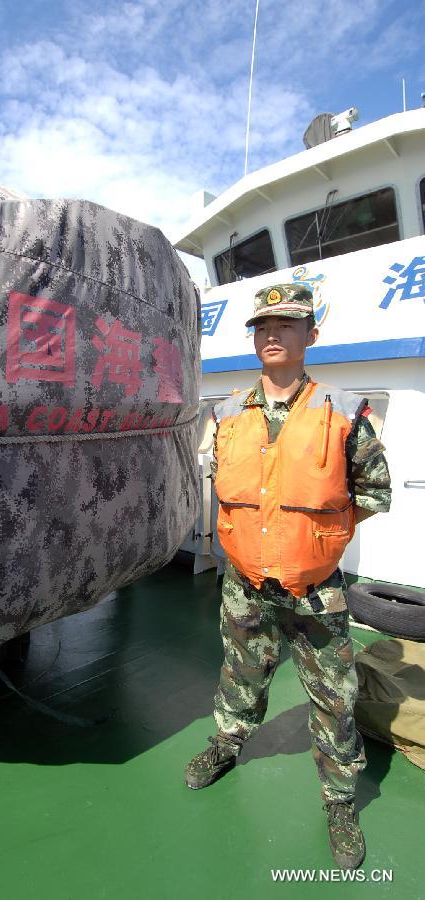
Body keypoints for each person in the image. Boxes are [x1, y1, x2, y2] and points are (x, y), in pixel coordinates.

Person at [184, 283, 391, 870]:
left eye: (287, 325)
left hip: (315, 587)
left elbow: (374, 491)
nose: (272, 335)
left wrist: (319, 541)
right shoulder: (227, 414)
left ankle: (340, 801)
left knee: (333, 697)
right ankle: (225, 745)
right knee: (239, 673)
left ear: (311, 337)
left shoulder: (343, 412)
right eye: (262, 326)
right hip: (244, 581)